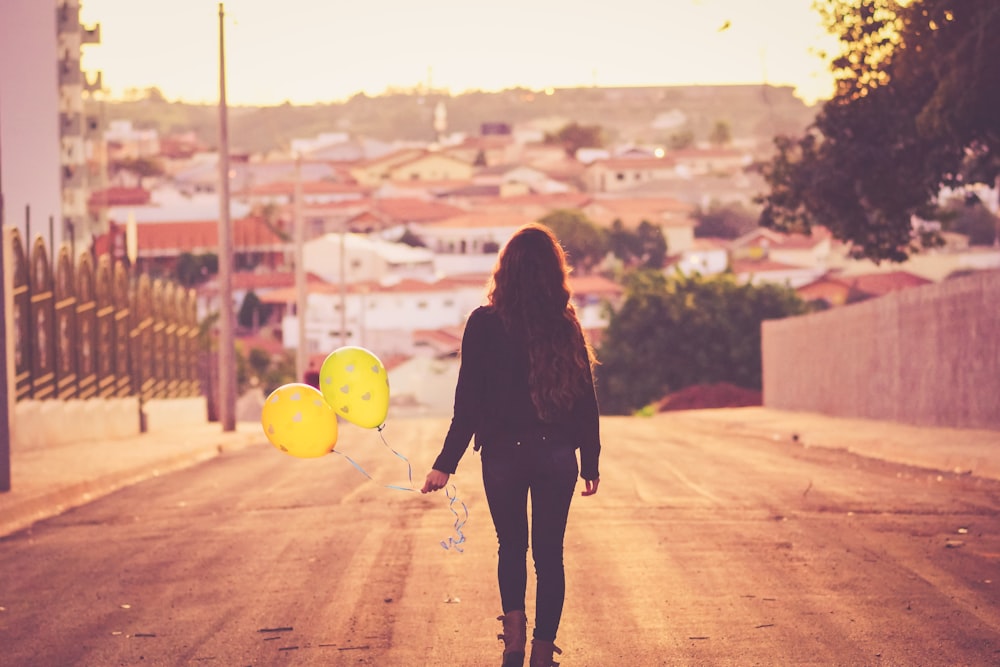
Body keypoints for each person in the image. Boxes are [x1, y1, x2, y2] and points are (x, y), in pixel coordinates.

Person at [422, 223, 602, 667]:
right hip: (556, 454)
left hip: (502, 455)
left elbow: (467, 402)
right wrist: (590, 462)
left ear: (506, 270)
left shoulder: (483, 324)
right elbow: (585, 399)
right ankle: (542, 653)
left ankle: (513, 647)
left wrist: (445, 464)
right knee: (549, 556)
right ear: (553, 271)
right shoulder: (564, 324)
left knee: (511, 548)